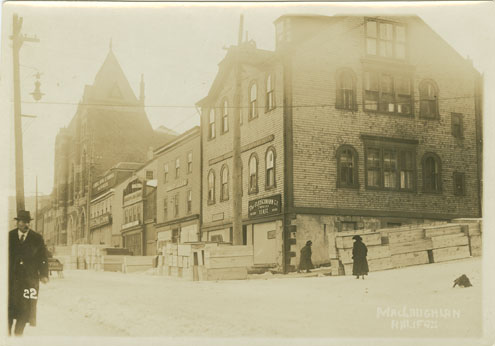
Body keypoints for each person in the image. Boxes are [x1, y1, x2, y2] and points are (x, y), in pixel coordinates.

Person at [8, 210, 49, 336]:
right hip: (11, 280)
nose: (24, 224)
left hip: (29, 280)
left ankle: (18, 333)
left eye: (26, 222)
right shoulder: (9, 236)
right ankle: (6, 334)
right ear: (17, 222)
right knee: (8, 306)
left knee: (25, 308)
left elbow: (43, 258)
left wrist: (43, 274)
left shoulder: (37, 238)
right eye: (21, 222)